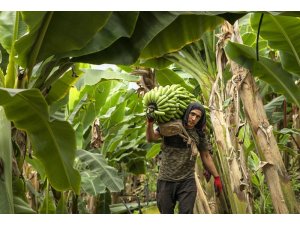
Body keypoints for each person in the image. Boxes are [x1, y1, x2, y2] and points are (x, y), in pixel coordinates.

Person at [146, 102, 222, 214]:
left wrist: (216, 177)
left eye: (197, 117)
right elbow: (151, 138)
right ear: (187, 113)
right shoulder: (171, 126)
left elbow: (205, 156)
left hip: (187, 181)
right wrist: (150, 123)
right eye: (192, 114)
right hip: (166, 179)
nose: (193, 118)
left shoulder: (199, 134)